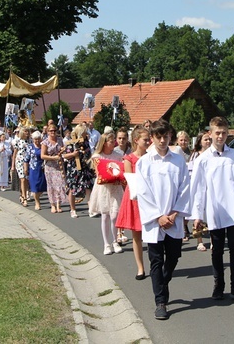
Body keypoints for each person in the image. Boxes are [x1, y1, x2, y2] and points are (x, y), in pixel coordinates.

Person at [190, 116, 234, 303]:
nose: (221, 136)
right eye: (217, 133)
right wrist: (197, 214)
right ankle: (219, 285)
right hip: (214, 210)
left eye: (224, 133)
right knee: (217, 249)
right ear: (210, 134)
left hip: (233, 209)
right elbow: (198, 188)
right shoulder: (203, 159)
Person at [135, 119, 192, 321]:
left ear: (170, 136)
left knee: (174, 256)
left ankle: (163, 282)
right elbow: (142, 192)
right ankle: (161, 301)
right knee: (156, 260)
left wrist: (175, 213)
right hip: (155, 220)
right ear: (152, 138)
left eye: (165, 136)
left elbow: (185, 188)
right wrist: (158, 216)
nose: (162, 140)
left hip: (174, 218)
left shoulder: (178, 161)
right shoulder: (144, 162)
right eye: (158, 136)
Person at [116, 126, 151, 280]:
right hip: (136, 198)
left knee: (153, 235)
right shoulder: (129, 159)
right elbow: (131, 180)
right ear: (136, 141)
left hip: (150, 198)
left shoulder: (152, 157)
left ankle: (156, 264)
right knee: (137, 235)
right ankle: (140, 267)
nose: (149, 141)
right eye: (146, 139)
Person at [89, 131, 125, 255]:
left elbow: (120, 169)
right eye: (111, 141)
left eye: (114, 140)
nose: (113, 142)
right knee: (105, 215)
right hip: (104, 188)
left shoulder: (118, 155)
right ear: (104, 143)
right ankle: (106, 243)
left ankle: (115, 240)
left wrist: (119, 180)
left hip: (115, 187)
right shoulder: (98, 156)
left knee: (115, 215)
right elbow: (98, 173)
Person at [62, 124, 95, 218]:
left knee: (88, 187)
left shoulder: (86, 142)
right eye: (84, 133)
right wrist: (73, 154)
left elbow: (89, 154)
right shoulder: (71, 143)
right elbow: (65, 156)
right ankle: (72, 209)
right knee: (72, 189)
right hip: (73, 169)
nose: (86, 134)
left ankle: (91, 209)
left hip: (84, 168)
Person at [186, 130, 212, 251]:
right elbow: (190, 172)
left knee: (211, 214)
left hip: (210, 187)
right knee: (198, 213)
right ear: (200, 141)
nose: (208, 141)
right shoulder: (195, 155)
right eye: (205, 139)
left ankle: (213, 240)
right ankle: (199, 240)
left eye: (209, 139)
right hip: (198, 187)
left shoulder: (214, 153)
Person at [41, 124, 67, 213]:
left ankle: (58, 204)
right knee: (51, 185)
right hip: (50, 166)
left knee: (60, 184)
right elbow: (42, 156)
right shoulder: (45, 142)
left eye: (54, 131)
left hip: (59, 165)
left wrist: (64, 150)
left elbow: (63, 150)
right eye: (51, 131)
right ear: (48, 132)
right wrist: (53, 158)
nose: (53, 132)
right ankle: (52, 204)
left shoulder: (60, 140)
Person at [26, 131, 46, 210]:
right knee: (35, 186)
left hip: (42, 168)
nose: (37, 141)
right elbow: (26, 159)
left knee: (42, 187)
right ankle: (37, 202)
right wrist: (25, 168)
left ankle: (36, 195)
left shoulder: (43, 146)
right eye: (35, 139)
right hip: (33, 168)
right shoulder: (30, 147)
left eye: (38, 139)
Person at [12, 127, 32, 206]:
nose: (27, 133)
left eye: (28, 131)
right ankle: (24, 197)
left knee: (26, 180)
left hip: (28, 162)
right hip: (20, 161)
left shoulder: (30, 141)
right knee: (22, 179)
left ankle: (22, 193)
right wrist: (13, 165)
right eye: (25, 131)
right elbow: (15, 153)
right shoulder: (18, 141)